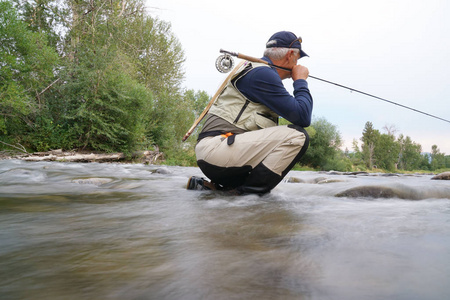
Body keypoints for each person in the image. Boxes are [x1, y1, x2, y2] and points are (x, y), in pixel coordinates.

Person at [187, 31, 313, 195]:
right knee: (297, 136)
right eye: (297, 59)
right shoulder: (263, 74)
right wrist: (301, 81)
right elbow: (302, 116)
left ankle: (222, 191)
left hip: (217, 154)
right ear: (290, 55)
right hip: (217, 151)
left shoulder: (257, 71)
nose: (297, 64)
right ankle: (246, 197)